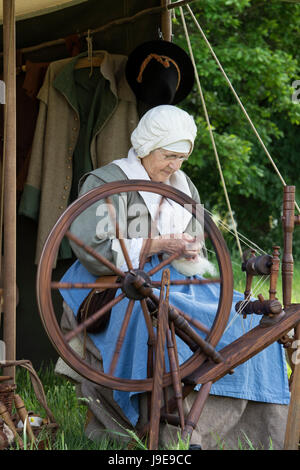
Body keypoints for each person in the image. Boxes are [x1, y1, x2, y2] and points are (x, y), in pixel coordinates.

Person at [55, 105, 290, 450]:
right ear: (147, 146)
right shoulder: (107, 182)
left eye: (182, 157)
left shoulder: (184, 185)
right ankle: (172, 429)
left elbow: (195, 239)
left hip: (180, 279)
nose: (175, 166)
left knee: (244, 315)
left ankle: (254, 430)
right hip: (122, 284)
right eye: (169, 156)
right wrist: (157, 244)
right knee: (159, 316)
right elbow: (92, 246)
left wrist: (192, 250)